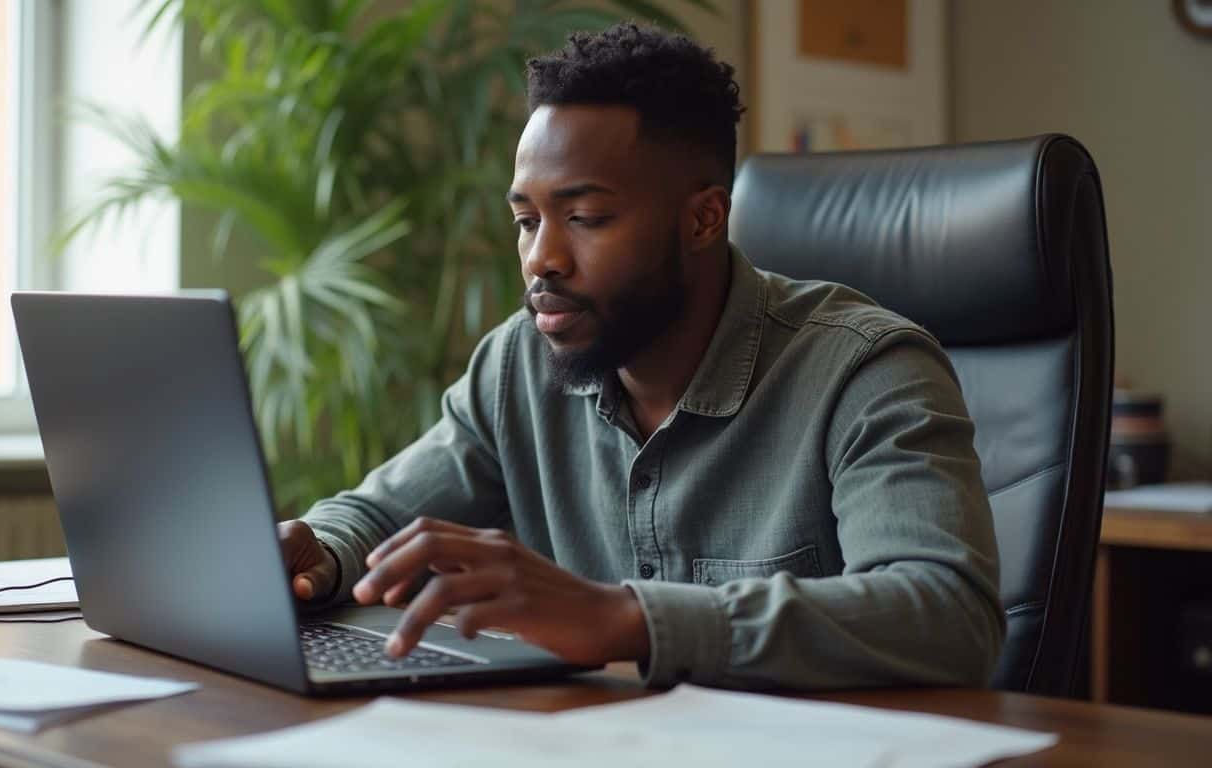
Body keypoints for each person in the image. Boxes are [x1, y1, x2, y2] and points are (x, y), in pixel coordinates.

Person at [277, 22, 1004, 690]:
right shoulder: (517, 366)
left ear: (702, 219)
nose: (541, 259)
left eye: (585, 218)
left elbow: (945, 613)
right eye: (526, 221)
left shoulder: (866, 370)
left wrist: (626, 618)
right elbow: (378, 516)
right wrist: (322, 554)